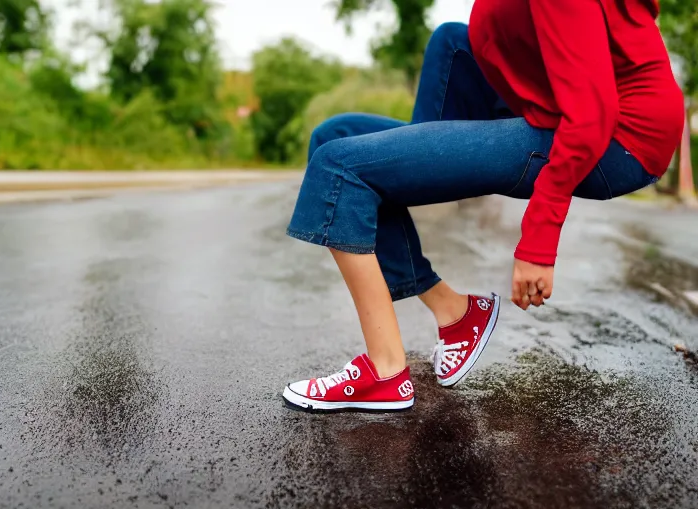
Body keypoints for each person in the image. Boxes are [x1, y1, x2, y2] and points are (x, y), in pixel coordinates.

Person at [281, 0, 683, 412]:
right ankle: (455, 313)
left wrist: (539, 239)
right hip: (575, 115)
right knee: (335, 140)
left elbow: (591, 113)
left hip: (619, 141)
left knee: (340, 168)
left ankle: (385, 373)